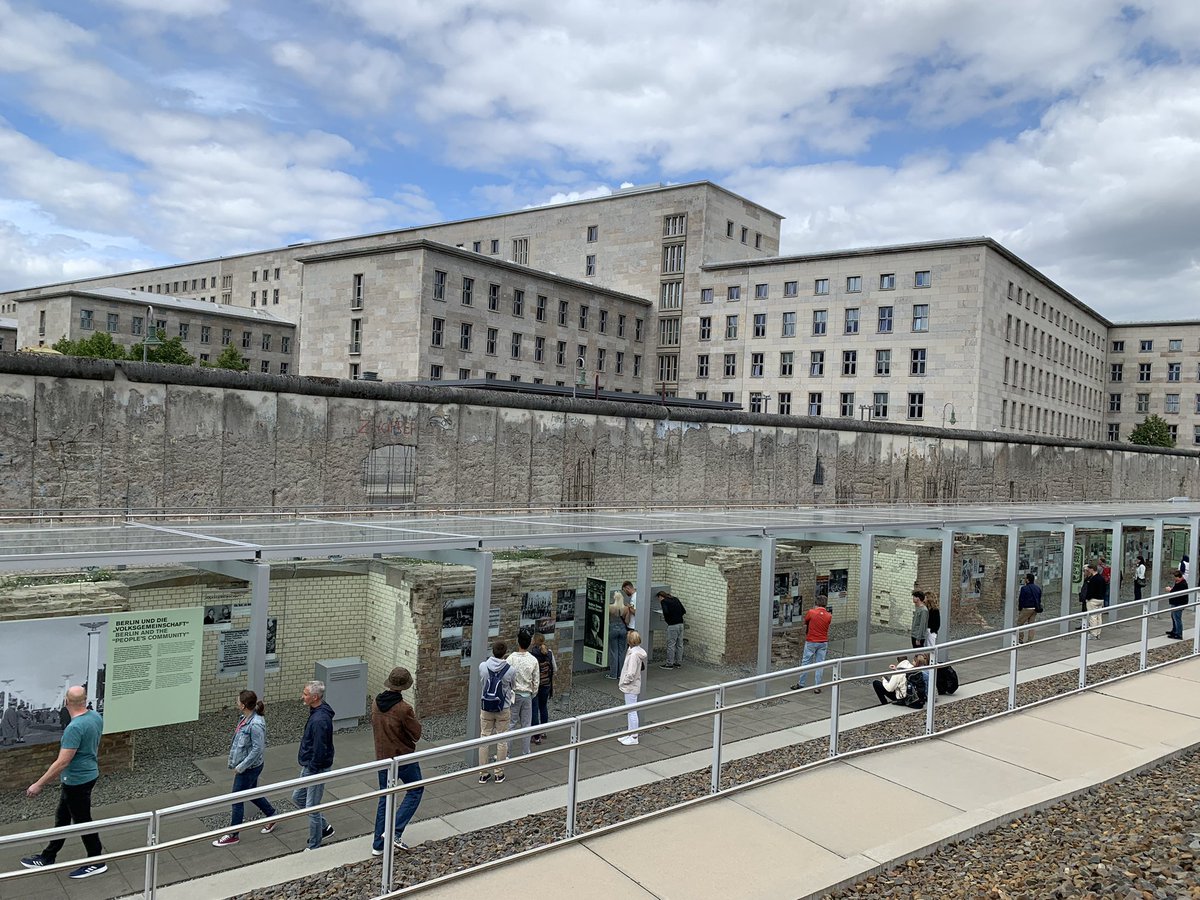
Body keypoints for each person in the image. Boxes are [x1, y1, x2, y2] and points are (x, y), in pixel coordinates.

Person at [20, 686, 107, 879]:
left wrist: (39, 784)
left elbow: (62, 761)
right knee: (63, 818)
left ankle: (96, 861)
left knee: (83, 821)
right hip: (87, 775)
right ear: (85, 700)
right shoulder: (95, 717)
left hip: (76, 781)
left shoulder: (74, 728)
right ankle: (48, 856)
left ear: (66, 703)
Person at [369, 667, 423, 856]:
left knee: (385, 797)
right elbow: (416, 734)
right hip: (403, 757)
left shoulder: (376, 702)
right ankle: (394, 831)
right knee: (416, 790)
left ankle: (378, 844)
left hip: (382, 758)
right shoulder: (404, 708)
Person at [212, 690, 276, 847]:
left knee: (236, 799)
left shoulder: (255, 724)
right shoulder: (246, 718)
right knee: (252, 793)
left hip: (249, 768)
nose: (236, 703)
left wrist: (241, 766)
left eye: (238, 701)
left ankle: (234, 834)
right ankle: (272, 815)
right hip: (249, 766)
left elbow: (257, 750)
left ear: (243, 705)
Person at [292, 681, 335, 850]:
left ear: (314, 697)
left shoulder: (319, 720)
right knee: (298, 798)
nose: (302, 696)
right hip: (311, 765)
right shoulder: (318, 712)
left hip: (315, 768)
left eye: (305, 694)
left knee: (312, 807)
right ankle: (324, 827)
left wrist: (313, 768)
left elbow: (320, 747)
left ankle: (315, 843)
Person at [477, 640, 515, 784]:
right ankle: (499, 773)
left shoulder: (483, 666)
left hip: (486, 706)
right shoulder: (510, 670)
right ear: (505, 653)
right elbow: (513, 685)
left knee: (484, 738)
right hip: (502, 708)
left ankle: (483, 773)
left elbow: (482, 681)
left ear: (492, 651)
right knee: (502, 740)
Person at [506, 630, 540, 757]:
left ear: (518, 642)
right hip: (527, 695)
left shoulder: (511, 658)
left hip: (514, 695)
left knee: (511, 724)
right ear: (530, 643)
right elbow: (536, 681)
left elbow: (506, 677)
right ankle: (526, 752)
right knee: (526, 724)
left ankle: (507, 753)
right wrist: (533, 693)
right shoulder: (533, 660)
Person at [789, 598, 832, 694]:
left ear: (816, 604)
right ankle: (817, 687)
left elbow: (806, 621)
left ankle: (801, 683)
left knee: (806, 662)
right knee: (820, 664)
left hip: (811, 641)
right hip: (823, 642)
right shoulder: (829, 616)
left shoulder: (811, 612)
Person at [617, 630, 647, 745]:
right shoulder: (635, 651)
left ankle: (634, 736)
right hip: (632, 686)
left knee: (632, 711)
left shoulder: (634, 655)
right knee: (630, 711)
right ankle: (630, 733)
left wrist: (624, 682)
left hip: (631, 686)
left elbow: (631, 673)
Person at [529, 633, 556, 744]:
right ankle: (544, 731)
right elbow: (555, 668)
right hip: (546, 685)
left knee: (534, 709)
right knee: (543, 707)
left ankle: (536, 736)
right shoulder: (549, 653)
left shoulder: (532, 655)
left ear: (534, 641)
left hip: (535, 686)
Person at [607, 583, 635, 679]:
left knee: (613, 651)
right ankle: (621, 674)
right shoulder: (626, 608)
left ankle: (613, 674)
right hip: (623, 630)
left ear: (614, 598)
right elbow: (627, 621)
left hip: (613, 629)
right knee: (622, 651)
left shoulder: (610, 608)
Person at [658, 591, 687, 669]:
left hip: (672, 626)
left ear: (660, 597)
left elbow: (666, 612)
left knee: (671, 644)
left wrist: (668, 619)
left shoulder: (663, 601)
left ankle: (669, 664)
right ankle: (678, 663)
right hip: (681, 624)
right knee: (679, 644)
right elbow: (683, 611)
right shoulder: (675, 599)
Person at [1016, 573, 1042, 644]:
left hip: (1026, 608)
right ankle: (1030, 640)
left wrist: (1020, 608)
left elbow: (1021, 599)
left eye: (1025, 579)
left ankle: (1020, 639)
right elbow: (1039, 599)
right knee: (1031, 624)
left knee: (1020, 623)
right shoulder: (1037, 588)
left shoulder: (1024, 588)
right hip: (1034, 609)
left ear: (1027, 580)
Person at [1083, 564, 1107, 637]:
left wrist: (1087, 598)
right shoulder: (1101, 578)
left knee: (1093, 617)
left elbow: (1090, 591)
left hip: (1093, 600)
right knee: (1099, 616)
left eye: (1088, 569)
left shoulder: (1093, 579)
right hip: (1100, 599)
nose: (1088, 571)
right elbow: (1104, 589)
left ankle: (1093, 633)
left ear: (1092, 569)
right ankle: (1098, 633)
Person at [1166, 569, 1189, 639]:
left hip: (1179, 603)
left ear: (1178, 577)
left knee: (1177, 618)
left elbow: (1177, 593)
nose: (1174, 579)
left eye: (1175, 577)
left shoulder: (1182, 584)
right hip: (1175, 602)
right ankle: (1175, 630)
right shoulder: (1179, 582)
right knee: (1174, 617)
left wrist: (1170, 590)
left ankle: (1179, 634)